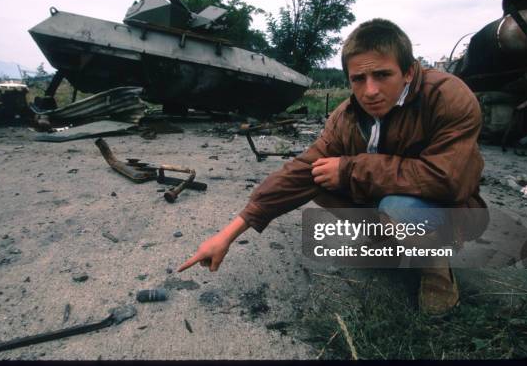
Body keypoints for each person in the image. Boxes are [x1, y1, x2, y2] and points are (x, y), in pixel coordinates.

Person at [178, 18, 489, 316]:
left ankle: (436, 269)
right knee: (321, 177)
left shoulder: (448, 97)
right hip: (392, 196)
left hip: (455, 209)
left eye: (382, 75)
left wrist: (351, 170)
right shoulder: (346, 115)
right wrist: (229, 234)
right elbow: (301, 171)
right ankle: (388, 240)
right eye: (358, 79)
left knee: (397, 205)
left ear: (408, 72)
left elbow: (447, 179)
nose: (370, 91)